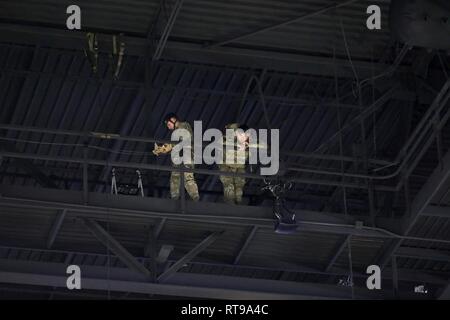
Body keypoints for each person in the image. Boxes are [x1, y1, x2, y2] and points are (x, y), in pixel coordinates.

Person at [153, 113, 199, 201]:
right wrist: (163, 149)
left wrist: (163, 148)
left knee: (187, 178)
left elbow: (178, 142)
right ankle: (175, 198)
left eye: (169, 125)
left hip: (187, 156)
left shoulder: (184, 126)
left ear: (173, 120)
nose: (169, 127)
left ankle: (195, 198)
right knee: (175, 177)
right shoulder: (177, 131)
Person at [219, 123, 250, 204]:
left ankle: (238, 204)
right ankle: (230, 205)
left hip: (239, 168)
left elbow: (262, 146)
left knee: (239, 190)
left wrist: (247, 145)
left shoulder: (248, 142)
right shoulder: (227, 139)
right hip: (227, 167)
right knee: (229, 188)